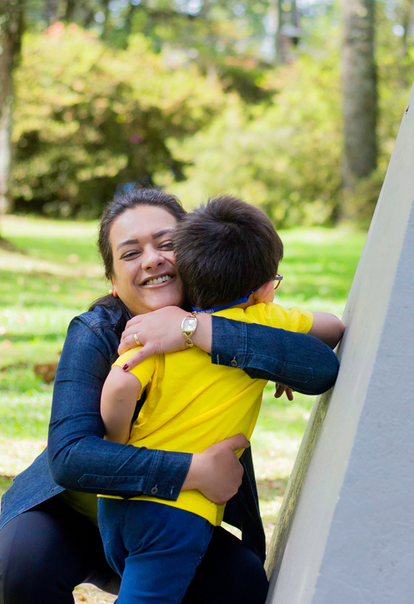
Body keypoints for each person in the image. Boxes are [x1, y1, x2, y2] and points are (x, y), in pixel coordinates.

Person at [0, 187, 341, 604]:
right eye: (131, 253)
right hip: (75, 518)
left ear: (194, 251)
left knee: (241, 583)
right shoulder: (97, 332)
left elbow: (318, 366)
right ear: (113, 283)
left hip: (172, 522)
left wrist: (195, 331)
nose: (152, 258)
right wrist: (194, 471)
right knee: (22, 567)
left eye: (166, 244)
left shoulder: (231, 316)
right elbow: (71, 456)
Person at [97, 196, 344, 603]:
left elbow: (121, 386)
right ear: (266, 288)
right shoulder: (265, 319)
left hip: (118, 502)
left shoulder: (160, 328)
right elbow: (333, 328)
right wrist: (274, 351)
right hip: (180, 510)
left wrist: (118, 441)